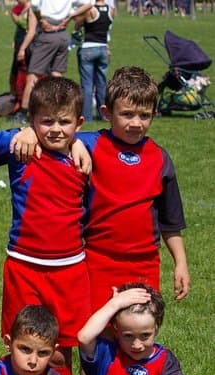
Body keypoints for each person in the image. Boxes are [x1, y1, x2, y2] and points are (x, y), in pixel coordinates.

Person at [0, 77, 90, 375]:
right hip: (24, 266)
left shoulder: (87, 148)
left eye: (64, 122)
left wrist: (79, 143)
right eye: (46, 121)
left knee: (61, 350)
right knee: (23, 343)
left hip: (70, 269)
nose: (55, 129)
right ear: (32, 121)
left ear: (79, 123)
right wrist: (22, 132)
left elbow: (114, 141)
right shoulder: (19, 145)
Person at [77, 66, 189, 313]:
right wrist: (68, 143)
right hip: (98, 260)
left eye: (144, 115)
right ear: (107, 113)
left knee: (137, 335)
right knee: (98, 331)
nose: (136, 123)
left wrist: (180, 263)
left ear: (155, 114)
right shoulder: (89, 145)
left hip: (145, 264)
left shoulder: (160, 159)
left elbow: (171, 221)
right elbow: (53, 134)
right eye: (127, 114)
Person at [14, 0, 92, 123]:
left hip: (47, 35)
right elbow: (89, 3)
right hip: (62, 36)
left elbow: (34, 6)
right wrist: (71, 16)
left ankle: (23, 114)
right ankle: (60, 106)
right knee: (57, 74)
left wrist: (41, 20)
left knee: (32, 76)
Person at [75, 0, 113, 122]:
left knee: (87, 84)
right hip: (103, 48)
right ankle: (103, 114)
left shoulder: (90, 10)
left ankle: (87, 116)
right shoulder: (111, 10)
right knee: (102, 83)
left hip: (88, 47)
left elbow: (77, 23)